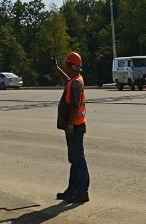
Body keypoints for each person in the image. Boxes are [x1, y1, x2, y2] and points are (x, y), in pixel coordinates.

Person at [52, 51, 89, 204]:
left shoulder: (76, 83)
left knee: (78, 160)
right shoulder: (74, 80)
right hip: (75, 126)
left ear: (70, 65)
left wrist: (69, 125)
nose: (66, 68)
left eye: (66, 65)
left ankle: (82, 192)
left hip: (75, 127)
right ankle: (73, 189)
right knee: (74, 159)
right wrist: (56, 69)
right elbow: (66, 80)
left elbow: (74, 106)